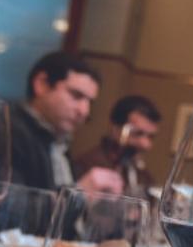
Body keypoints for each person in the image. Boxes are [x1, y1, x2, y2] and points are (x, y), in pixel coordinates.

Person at [9, 51, 123, 194]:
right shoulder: (7, 130)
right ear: (42, 84)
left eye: (89, 102)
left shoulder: (58, 140)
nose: (84, 111)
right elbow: (8, 207)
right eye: (76, 95)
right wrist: (79, 194)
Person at [74, 95, 162, 200]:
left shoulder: (142, 174)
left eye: (151, 137)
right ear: (115, 128)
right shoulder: (87, 165)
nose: (146, 144)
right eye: (138, 133)